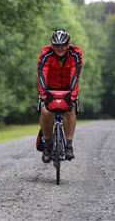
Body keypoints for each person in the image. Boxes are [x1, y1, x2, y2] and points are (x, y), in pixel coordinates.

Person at [37, 29, 83, 163]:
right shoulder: (46, 53)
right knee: (46, 112)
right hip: (50, 88)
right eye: (56, 45)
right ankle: (47, 144)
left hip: (68, 88)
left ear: (68, 44)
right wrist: (43, 94)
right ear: (52, 45)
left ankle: (68, 145)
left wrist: (72, 95)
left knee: (69, 110)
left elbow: (75, 74)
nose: (60, 48)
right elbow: (41, 74)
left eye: (63, 45)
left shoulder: (75, 53)